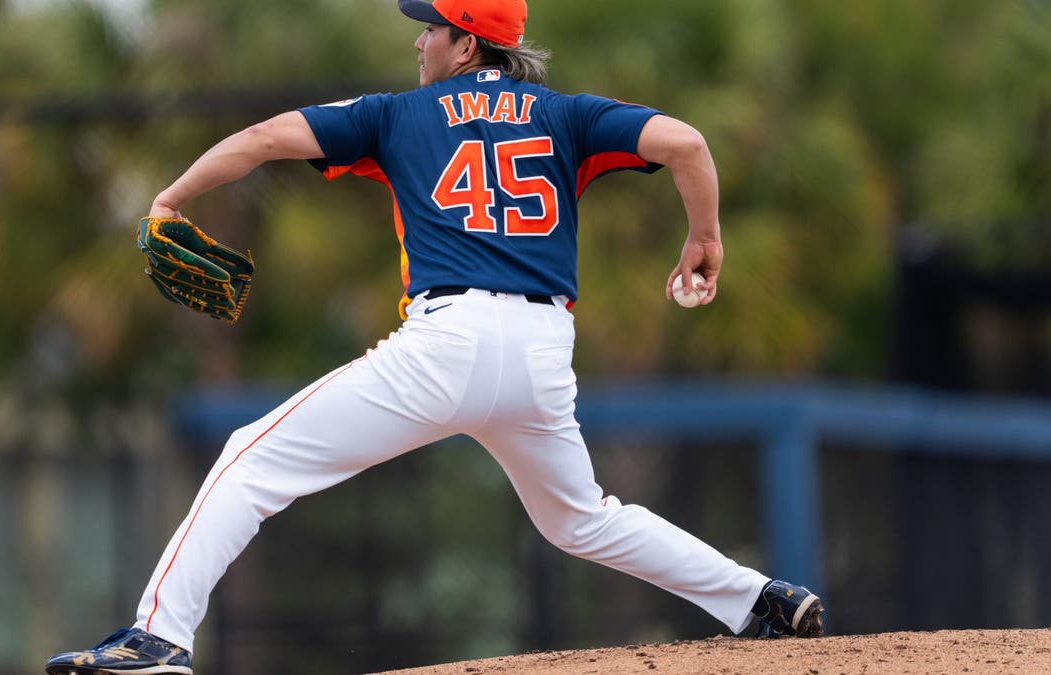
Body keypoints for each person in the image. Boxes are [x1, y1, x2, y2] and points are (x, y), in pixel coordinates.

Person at [45, 1, 824, 672]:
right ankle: (760, 598)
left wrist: (171, 196)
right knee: (580, 517)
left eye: (432, 28)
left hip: (445, 343)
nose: (420, 40)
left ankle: (157, 640)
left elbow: (263, 138)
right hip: (542, 349)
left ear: (468, 43)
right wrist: (705, 237)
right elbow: (687, 143)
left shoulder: (395, 114)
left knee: (250, 459)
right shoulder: (568, 114)